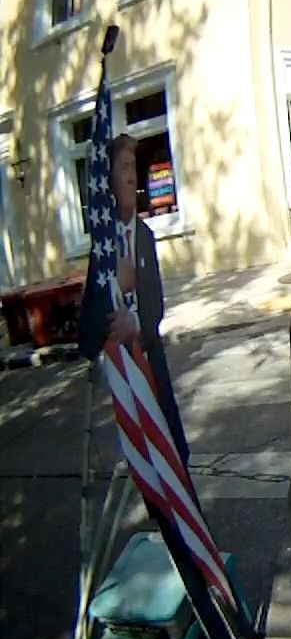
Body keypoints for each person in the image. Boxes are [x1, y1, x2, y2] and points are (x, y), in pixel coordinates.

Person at [79, 133, 190, 463]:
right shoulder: (103, 248)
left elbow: (156, 305)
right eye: (124, 168)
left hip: (152, 363)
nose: (132, 178)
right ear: (109, 181)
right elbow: (87, 335)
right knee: (145, 462)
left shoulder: (145, 236)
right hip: (124, 376)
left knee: (174, 454)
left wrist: (136, 323)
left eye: (134, 168)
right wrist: (116, 289)